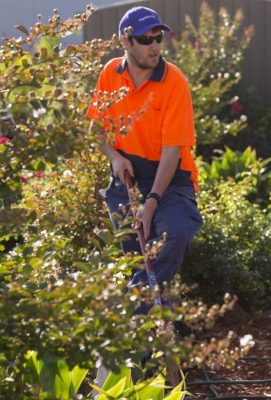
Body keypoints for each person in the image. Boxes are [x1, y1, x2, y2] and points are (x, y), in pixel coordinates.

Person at [86, 6, 203, 388]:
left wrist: (152, 202)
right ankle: (162, 380)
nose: (155, 46)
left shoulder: (174, 82)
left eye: (159, 37)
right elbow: (97, 130)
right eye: (145, 39)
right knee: (144, 268)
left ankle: (118, 330)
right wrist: (115, 157)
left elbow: (172, 152)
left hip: (172, 180)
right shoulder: (109, 74)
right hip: (127, 177)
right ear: (126, 41)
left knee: (171, 240)